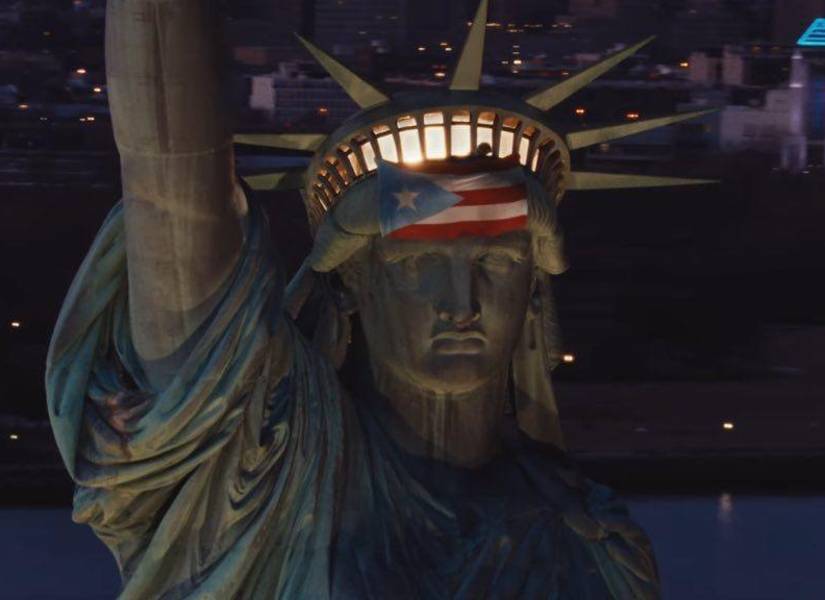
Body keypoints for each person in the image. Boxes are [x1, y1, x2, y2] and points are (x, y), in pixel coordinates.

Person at [46, 1, 660, 597]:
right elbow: (170, 178)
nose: (461, 302)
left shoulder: (593, 540)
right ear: (349, 285)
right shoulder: (264, 463)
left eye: (495, 264)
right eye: (418, 264)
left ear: (533, 294)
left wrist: (440, 203)